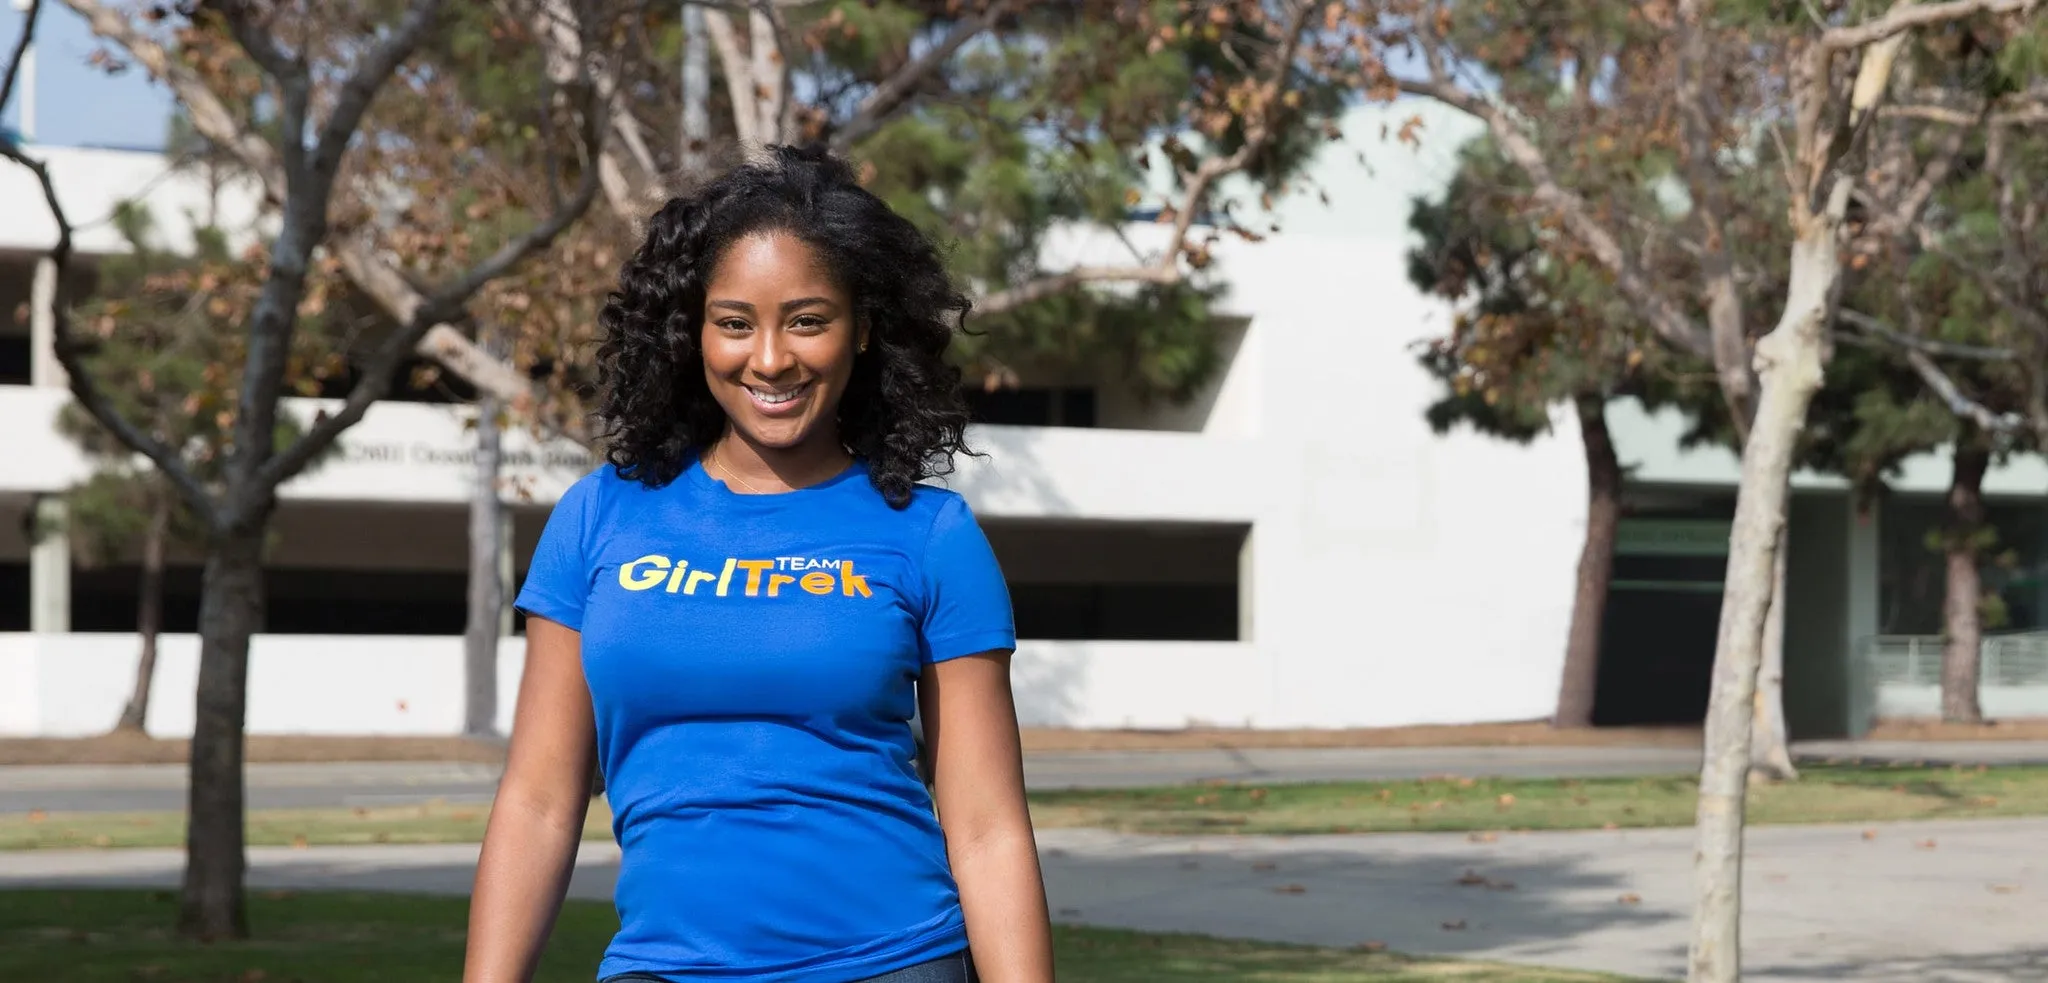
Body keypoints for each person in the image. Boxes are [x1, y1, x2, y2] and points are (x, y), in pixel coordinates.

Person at [463, 145, 1054, 983]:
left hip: (890, 961)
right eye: (735, 322)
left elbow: (987, 824)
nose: (769, 358)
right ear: (694, 331)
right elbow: (538, 801)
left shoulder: (928, 533)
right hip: (662, 966)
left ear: (864, 329)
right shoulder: (601, 516)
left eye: (807, 320)